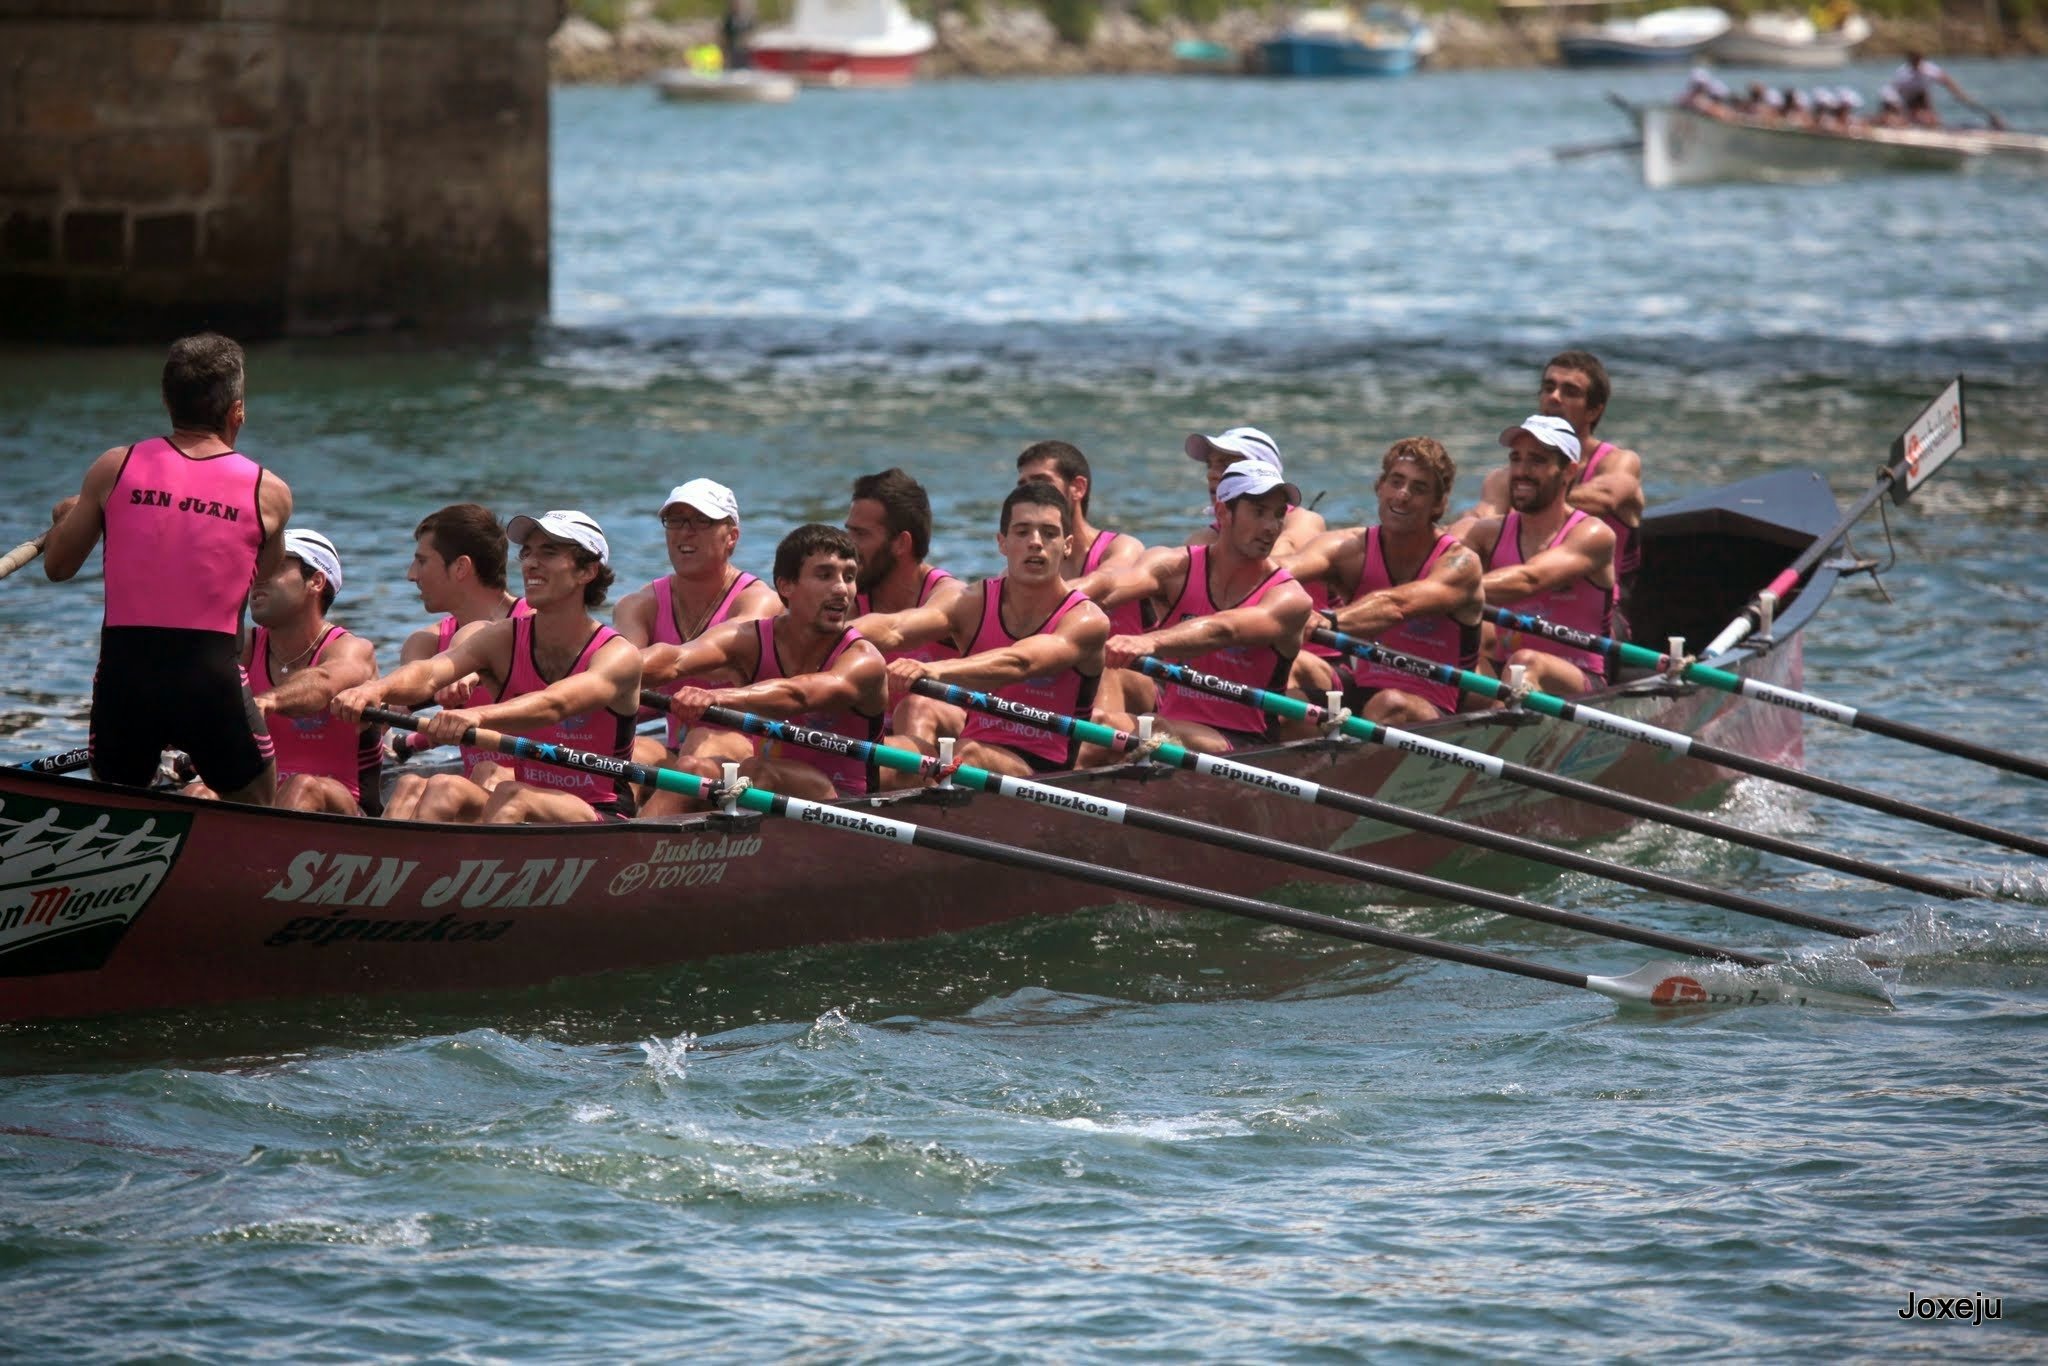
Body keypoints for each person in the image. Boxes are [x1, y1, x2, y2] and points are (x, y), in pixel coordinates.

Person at [43, 332, 294, 804]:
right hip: (210, 675)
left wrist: (76, 517)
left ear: (166, 400)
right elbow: (262, 575)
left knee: (119, 808)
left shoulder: (114, 468)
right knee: (260, 802)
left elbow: (58, 567)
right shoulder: (269, 491)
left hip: (125, 674)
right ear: (237, 411)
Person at [333, 511, 642, 824]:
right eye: (527, 553)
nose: (530, 563)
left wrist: (476, 714)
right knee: (434, 786)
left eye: (548, 553)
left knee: (512, 793)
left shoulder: (617, 655)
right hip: (522, 801)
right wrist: (374, 689)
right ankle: (396, 866)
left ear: (587, 571)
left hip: (599, 813)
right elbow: (430, 673)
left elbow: (555, 703)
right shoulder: (504, 637)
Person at [881, 482, 1110, 777]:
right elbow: (894, 628)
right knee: (917, 707)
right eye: (1022, 531)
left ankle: (925, 793)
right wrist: (834, 634)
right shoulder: (973, 600)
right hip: (973, 743)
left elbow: (1019, 662)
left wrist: (934, 671)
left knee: (968, 754)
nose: (1036, 542)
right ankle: (905, 784)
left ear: (1067, 545)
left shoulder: (1087, 620)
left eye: (1049, 533)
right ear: (1002, 542)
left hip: (1044, 769)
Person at [1094, 460, 1315, 755]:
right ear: (1223, 512)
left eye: (1277, 515)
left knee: (1151, 729)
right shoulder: (1175, 567)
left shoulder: (1289, 598)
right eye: (1258, 512)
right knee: (1098, 725)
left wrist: (1149, 641)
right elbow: (1114, 585)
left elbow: (1223, 629)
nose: (1270, 527)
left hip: (1244, 746)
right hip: (1170, 725)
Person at [656, 524, 888, 802]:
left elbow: (798, 694)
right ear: (786, 585)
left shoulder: (863, 658)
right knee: (690, 770)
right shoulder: (749, 638)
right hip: (767, 788)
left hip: (844, 801)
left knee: (758, 770)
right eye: (825, 575)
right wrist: (611, 672)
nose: (842, 589)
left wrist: (717, 696)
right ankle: (635, 844)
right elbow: (675, 658)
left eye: (849, 576)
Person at [1281, 438, 1482, 725]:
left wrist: (1330, 622)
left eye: (1419, 488)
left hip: (1433, 708)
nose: (1402, 495)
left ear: (1438, 505)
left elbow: (1397, 605)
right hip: (1363, 693)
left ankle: (1346, 764)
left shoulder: (1460, 563)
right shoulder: (1347, 548)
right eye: (1396, 482)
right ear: (1380, 487)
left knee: (1390, 704)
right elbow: (1281, 570)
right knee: (1286, 694)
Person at [615, 479, 781, 803]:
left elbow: (628, 668)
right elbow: (622, 678)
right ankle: (607, 828)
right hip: (676, 745)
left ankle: (631, 847)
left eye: (701, 521)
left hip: (751, 749)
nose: (685, 532)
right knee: (621, 759)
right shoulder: (636, 605)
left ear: (732, 536)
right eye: (675, 521)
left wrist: (597, 673)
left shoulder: (759, 604)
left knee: (698, 749)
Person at [1456, 351, 1643, 629]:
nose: (1554, 397)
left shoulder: (1618, 462)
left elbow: (1606, 497)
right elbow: (1479, 521)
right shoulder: (1506, 478)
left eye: (1569, 391)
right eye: (1548, 387)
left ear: (1594, 410)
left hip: (1599, 615)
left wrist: (1531, 490)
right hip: (1518, 601)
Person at [383, 503, 532, 817]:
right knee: (409, 784)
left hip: (540, 789)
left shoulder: (534, 627)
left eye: (422, 561)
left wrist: (474, 674)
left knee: (490, 772)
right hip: (479, 789)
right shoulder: (425, 642)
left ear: (461, 568)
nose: (411, 575)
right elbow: (413, 683)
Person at [223, 530, 380, 814]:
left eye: (275, 568)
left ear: (315, 582)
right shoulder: (245, 647)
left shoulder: (352, 649)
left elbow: (323, 682)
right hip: (267, 798)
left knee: (302, 786)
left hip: (347, 805)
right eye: (257, 567)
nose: (257, 577)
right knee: (198, 791)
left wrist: (268, 701)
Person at [1463, 416, 1617, 697]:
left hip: (1581, 680)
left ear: (1568, 471)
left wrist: (1446, 591)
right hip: (1504, 669)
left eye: (1536, 460)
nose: (1521, 471)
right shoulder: (1488, 533)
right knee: (1452, 661)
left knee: (1526, 662)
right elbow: (1435, 561)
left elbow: (1529, 579)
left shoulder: (1593, 535)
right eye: (1516, 459)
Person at [846, 467, 970, 756]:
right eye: (847, 532)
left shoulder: (951, 596)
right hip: (881, 742)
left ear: (901, 543)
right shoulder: (847, 599)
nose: (846, 546)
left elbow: (895, 630)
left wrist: (815, 634)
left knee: (916, 706)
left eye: (860, 535)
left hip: (952, 735)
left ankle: (906, 794)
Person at [1891, 51, 2000, 128]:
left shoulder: (1929, 69)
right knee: (1913, 118)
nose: (1916, 65)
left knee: (1931, 119)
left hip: (1922, 98)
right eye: (1914, 62)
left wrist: (1962, 96)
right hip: (1907, 99)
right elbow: (1894, 94)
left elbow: (1950, 85)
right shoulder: (1903, 73)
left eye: (1918, 61)